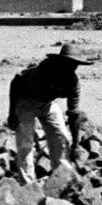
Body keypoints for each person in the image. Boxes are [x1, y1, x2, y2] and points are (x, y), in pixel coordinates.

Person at [9, 42, 87, 173]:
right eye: (68, 63)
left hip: (48, 104)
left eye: (75, 64)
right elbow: (16, 82)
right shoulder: (41, 71)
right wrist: (12, 113)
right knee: (25, 144)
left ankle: (61, 178)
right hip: (26, 103)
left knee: (62, 138)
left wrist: (75, 145)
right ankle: (29, 187)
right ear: (61, 61)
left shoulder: (73, 83)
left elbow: (73, 114)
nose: (72, 67)